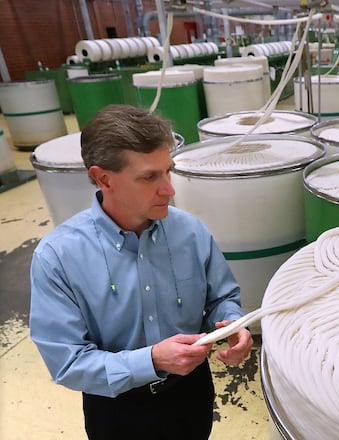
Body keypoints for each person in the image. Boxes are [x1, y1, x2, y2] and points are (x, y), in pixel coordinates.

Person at [29, 104, 253, 440]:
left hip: (191, 393)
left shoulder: (190, 232)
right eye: (150, 177)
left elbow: (221, 297)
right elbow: (67, 362)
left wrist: (232, 324)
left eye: (168, 171)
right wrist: (151, 361)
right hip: (117, 408)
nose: (169, 189)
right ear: (103, 178)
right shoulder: (58, 257)